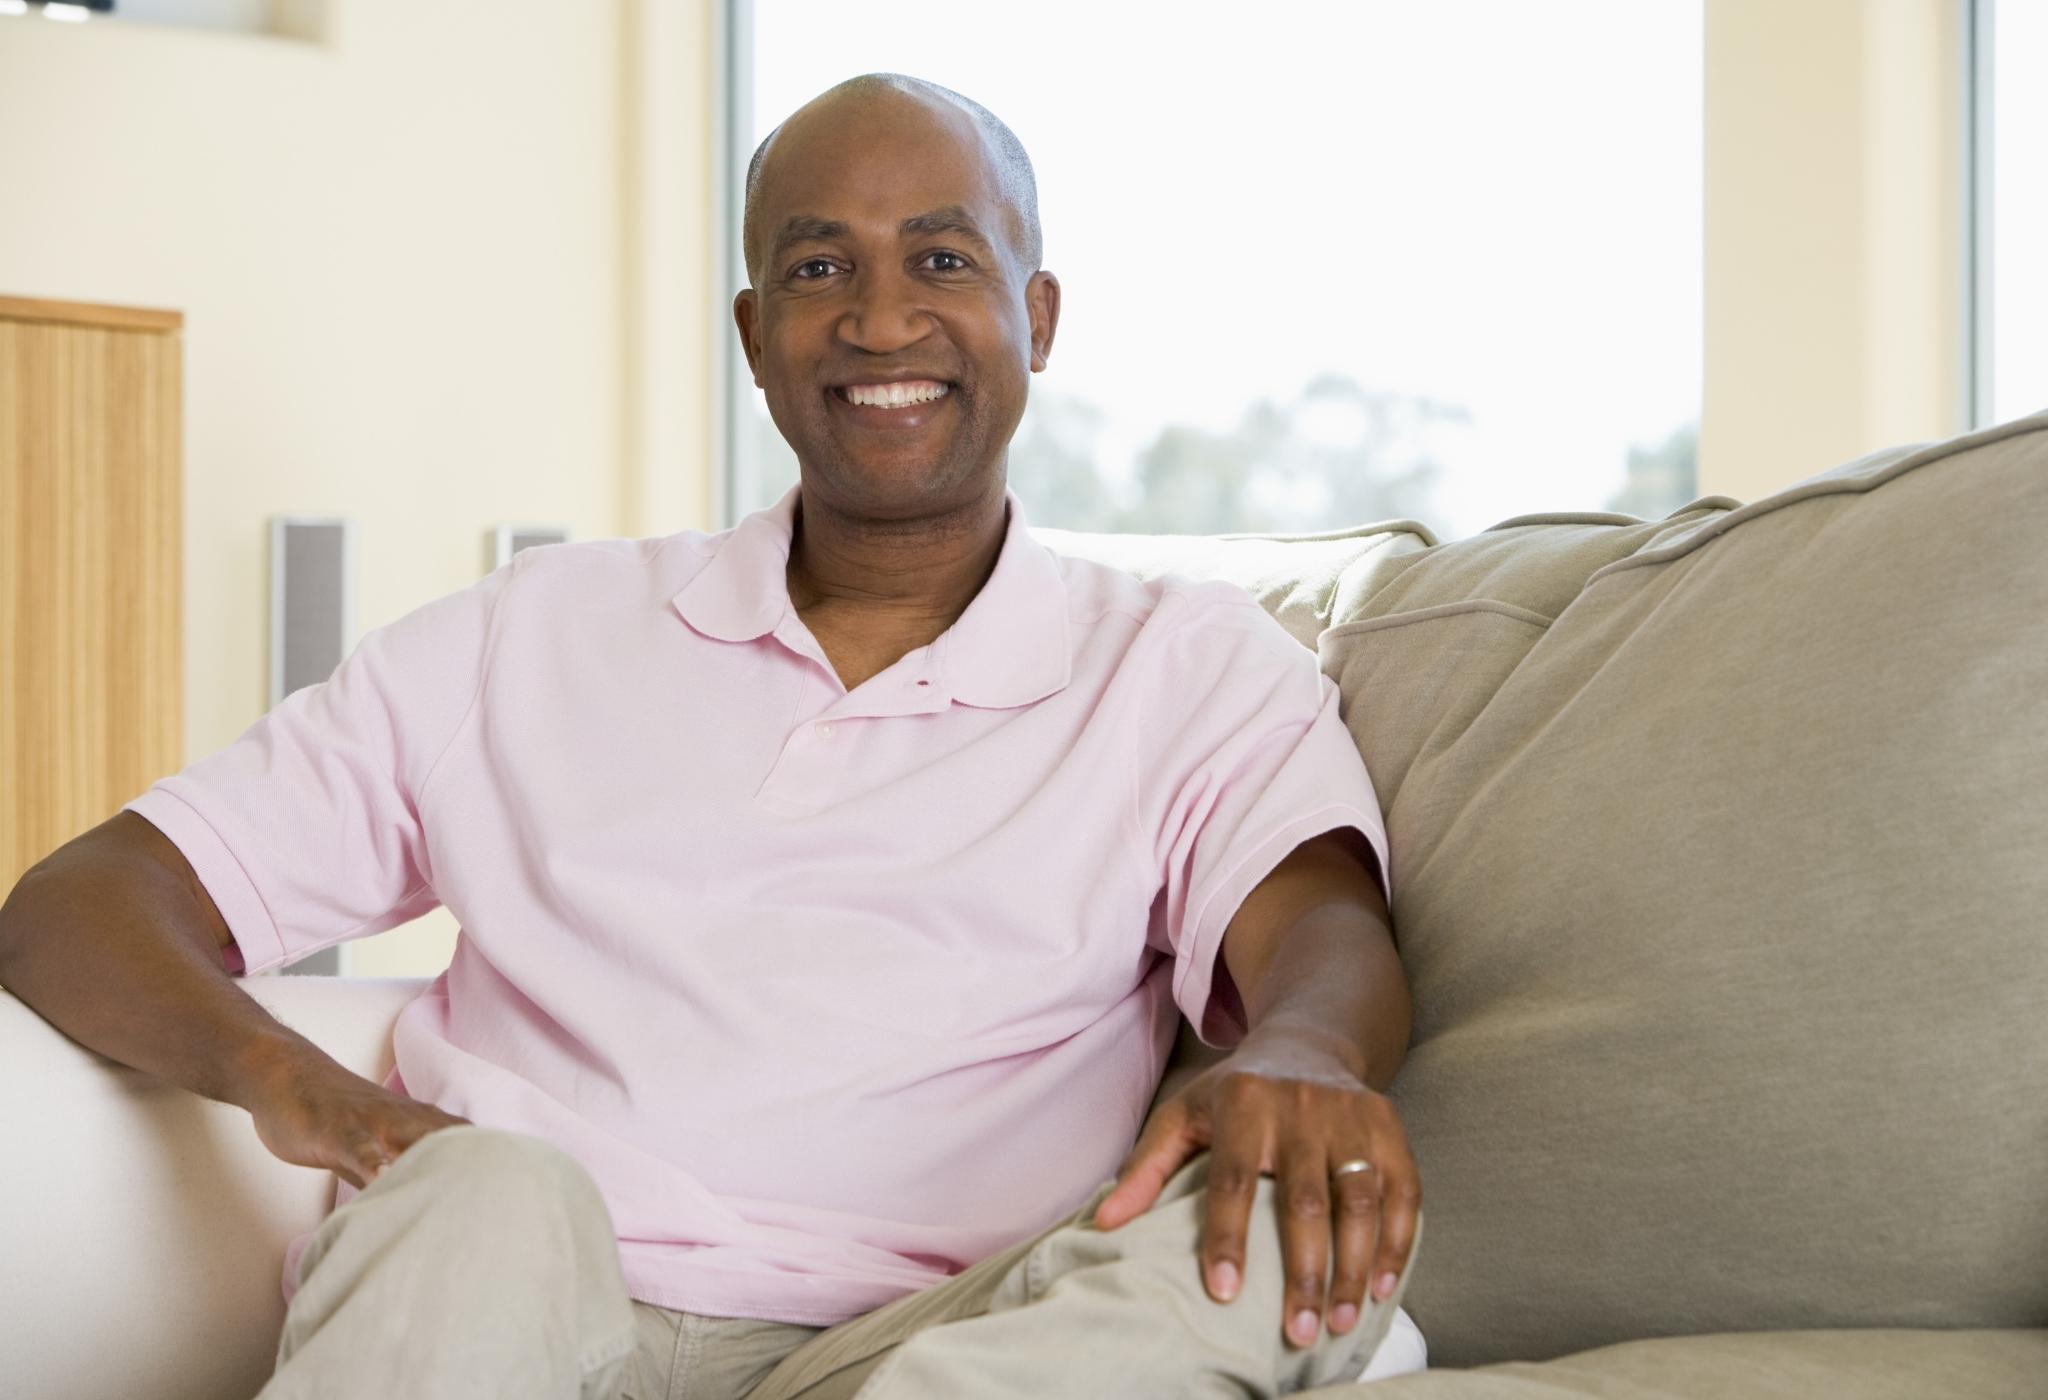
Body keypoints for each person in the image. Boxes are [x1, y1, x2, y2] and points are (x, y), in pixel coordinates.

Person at [0, 73, 1425, 1399]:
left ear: (1036, 317)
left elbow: (1325, 937)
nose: (880, 319)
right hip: (528, 1313)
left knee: (1313, 1260)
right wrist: (304, 1093)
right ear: (754, 335)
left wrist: (1299, 1047)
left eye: (942, 259)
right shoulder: (534, 631)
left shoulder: (1179, 661)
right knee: (495, 1188)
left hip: (936, 1349)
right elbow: (81, 906)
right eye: (819, 268)